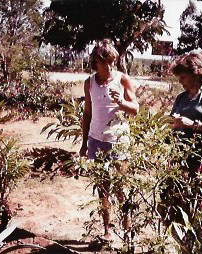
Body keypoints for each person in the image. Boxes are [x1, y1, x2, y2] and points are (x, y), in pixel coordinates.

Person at [79, 39, 139, 239]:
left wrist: (121, 102)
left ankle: (127, 231)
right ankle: (107, 231)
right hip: (96, 140)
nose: (110, 66)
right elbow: (87, 113)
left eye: (112, 61)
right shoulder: (89, 82)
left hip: (118, 142)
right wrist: (83, 143)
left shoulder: (122, 80)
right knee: (103, 188)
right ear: (96, 62)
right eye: (105, 62)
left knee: (121, 188)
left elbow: (135, 110)